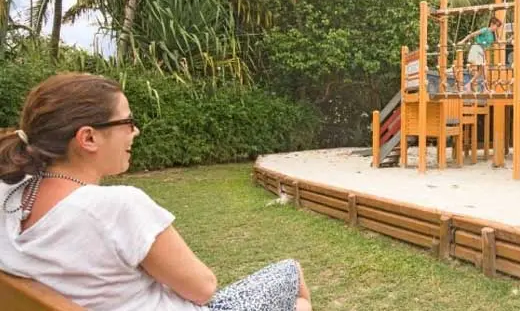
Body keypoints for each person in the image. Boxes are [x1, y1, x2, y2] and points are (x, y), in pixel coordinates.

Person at [0, 73, 311, 311]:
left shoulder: (8, 195)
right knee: (292, 277)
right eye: (127, 121)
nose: (135, 131)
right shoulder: (116, 207)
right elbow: (204, 288)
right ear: (88, 138)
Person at [459, 16, 502, 92]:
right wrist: (462, 41)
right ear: (492, 24)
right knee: (484, 69)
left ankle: (469, 84)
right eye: (497, 26)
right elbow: (472, 34)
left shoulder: (492, 35)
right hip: (476, 49)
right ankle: (485, 88)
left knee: (481, 71)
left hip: (481, 51)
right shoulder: (485, 30)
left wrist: (510, 40)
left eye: (498, 26)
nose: (497, 28)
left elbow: (499, 42)